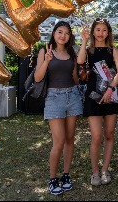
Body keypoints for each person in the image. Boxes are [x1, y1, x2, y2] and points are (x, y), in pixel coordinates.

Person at [34, 21, 83, 196]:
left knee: (70, 139)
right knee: (59, 141)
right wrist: (47, 61)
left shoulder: (71, 52)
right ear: (54, 33)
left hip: (73, 97)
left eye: (67, 33)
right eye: (60, 32)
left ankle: (66, 175)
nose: (63, 35)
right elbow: (38, 78)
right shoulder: (44, 50)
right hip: (54, 98)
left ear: (70, 36)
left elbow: (75, 77)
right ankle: (52, 178)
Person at [77, 18, 118, 186]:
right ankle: (95, 172)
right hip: (93, 97)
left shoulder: (113, 50)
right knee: (97, 136)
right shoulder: (89, 50)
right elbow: (80, 61)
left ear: (108, 32)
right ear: (93, 32)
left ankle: (105, 170)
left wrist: (111, 88)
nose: (101, 33)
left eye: (104, 30)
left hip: (111, 95)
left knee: (109, 134)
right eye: (97, 29)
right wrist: (84, 41)